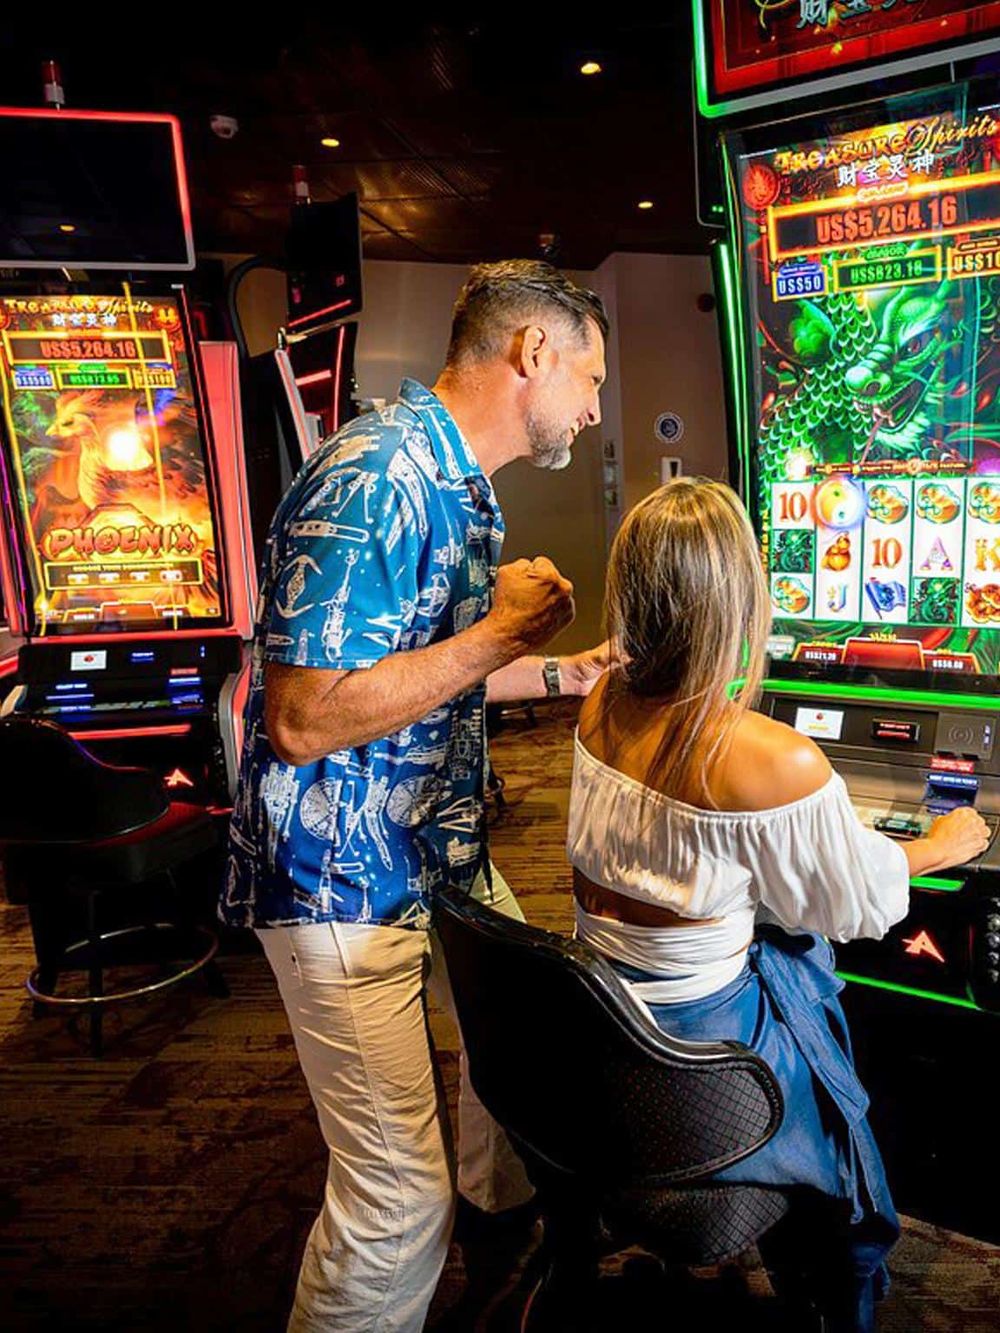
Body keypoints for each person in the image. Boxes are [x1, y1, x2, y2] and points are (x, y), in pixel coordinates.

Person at [222, 260, 610, 1332]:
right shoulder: (375, 477)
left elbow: (415, 671)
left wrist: (563, 670)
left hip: (433, 847)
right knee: (395, 1202)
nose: (593, 406)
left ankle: (500, 1223)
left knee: (521, 1042)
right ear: (533, 351)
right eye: (590, 378)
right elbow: (303, 717)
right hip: (340, 879)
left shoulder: (456, 480)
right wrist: (500, 633)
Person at [568, 478, 989, 1333]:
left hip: (604, 1029)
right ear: (738, 599)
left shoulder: (599, 703)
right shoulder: (765, 756)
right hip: (705, 1060)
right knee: (810, 961)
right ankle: (836, 1261)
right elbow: (858, 902)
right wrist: (940, 844)